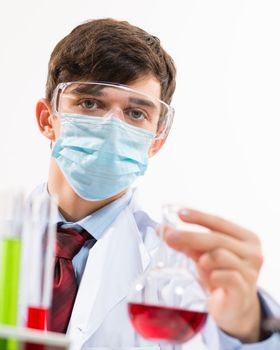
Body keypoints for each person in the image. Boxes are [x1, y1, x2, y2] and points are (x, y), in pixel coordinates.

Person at [33, 18, 280, 349]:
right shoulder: (11, 231)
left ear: (155, 142)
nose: (112, 127)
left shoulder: (183, 271)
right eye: (91, 103)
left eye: (136, 113)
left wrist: (250, 326)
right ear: (48, 119)